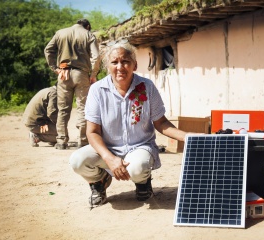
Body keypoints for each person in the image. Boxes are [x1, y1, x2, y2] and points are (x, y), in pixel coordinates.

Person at [69, 40, 188, 208]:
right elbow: (92, 132)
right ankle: (99, 182)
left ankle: (142, 183)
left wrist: (188, 137)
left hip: (139, 147)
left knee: (138, 167)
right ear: (107, 67)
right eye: (115, 62)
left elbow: (160, 122)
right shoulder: (97, 90)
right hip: (108, 149)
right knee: (77, 160)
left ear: (135, 65)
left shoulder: (147, 87)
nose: (120, 66)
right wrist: (109, 158)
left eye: (125, 61)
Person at [44, 18, 101, 150]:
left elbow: (48, 50)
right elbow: (96, 56)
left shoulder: (60, 33)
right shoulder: (88, 35)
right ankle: (82, 140)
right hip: (82, 75)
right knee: (82, 108)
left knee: (63, 109)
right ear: (87, 26)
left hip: (63, 74)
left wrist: (55, 68)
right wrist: (93, 74)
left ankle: (61, 141)